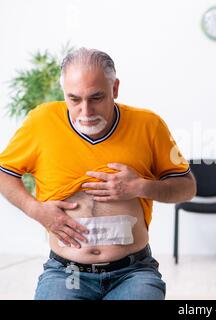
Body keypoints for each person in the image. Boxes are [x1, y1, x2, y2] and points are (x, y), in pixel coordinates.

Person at [0, 48, 196, 299]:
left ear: (114, 89)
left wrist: (140, 186)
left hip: (133, 272)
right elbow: (5, 173)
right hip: (65, 271)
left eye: (96, 98)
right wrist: (37, 211)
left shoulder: (149, 125)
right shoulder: (41, 122)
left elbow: (186, 187)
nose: (86, 111)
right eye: (74, 99)